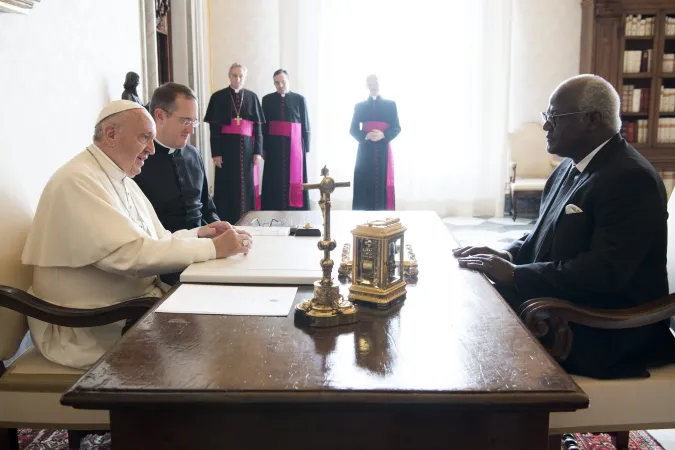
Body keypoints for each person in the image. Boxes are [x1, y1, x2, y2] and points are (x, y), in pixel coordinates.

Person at [454, 74, 675, 379]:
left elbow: (605, 272)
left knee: (481, 327)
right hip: (574, 304)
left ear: (591, 119)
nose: (546, 126)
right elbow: (540, 235)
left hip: (610, 327)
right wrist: (505, 256)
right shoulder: (569, 167)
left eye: (554, 117)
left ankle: (500, 419)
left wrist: (517, 275)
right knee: (472, 300)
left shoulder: (630, 179)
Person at [21, 100, 252, 369]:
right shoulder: (77, 180)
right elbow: (129, 256)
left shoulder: (120, 178)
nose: (152, 150)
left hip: (129, 311)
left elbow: (155, 240)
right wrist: (214, 249)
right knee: (217, 342)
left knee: (227, 319)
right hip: (91, 327)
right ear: (110, 135)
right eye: (145, 138)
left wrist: (201, 235)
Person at [134, 82, 220, 285]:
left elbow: (207, 207)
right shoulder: (137, 160)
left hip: (204, 255)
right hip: (164, 266)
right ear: (160, 116)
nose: (191, 129)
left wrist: (220, 228)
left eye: (194, 122)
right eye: (185, 121)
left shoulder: (194, 154)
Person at [204, 63, 265, 223]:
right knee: (226, 185)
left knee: (247, 186)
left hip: (247, 151)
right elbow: (214, 129)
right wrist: (216, 153)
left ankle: (248, 219)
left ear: (245, 77)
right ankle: (226, 220)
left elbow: (257, 128)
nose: (237, 79)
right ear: (229, 76)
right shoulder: (218, 97)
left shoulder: (252, 97)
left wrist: (257, 152)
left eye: (241, 76)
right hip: (226, 149)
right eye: (234, 75)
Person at [261, 69, 311, 210]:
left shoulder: (299, 99)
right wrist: (263, 148)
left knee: (294, 180)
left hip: (294, 149)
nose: (280, 85)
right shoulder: (267, 100)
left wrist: (305, 148)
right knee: (274, 181)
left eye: (283, 82)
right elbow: (263, 127)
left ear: (288, 81)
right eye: (277, 83)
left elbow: (306, 125)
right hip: (274, 148)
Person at [350, 74, 401, 211]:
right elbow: (353, 129)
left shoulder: (391, 105)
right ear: (366, 85)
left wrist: (383, 135)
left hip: (383, 149)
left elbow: (397, 128)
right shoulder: (359, 106)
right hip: (364, 151)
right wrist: (366, 136)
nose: (373, 85)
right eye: (370, 83)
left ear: (380, 83)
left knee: (382, 184)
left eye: (376, 82)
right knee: (363, 182)